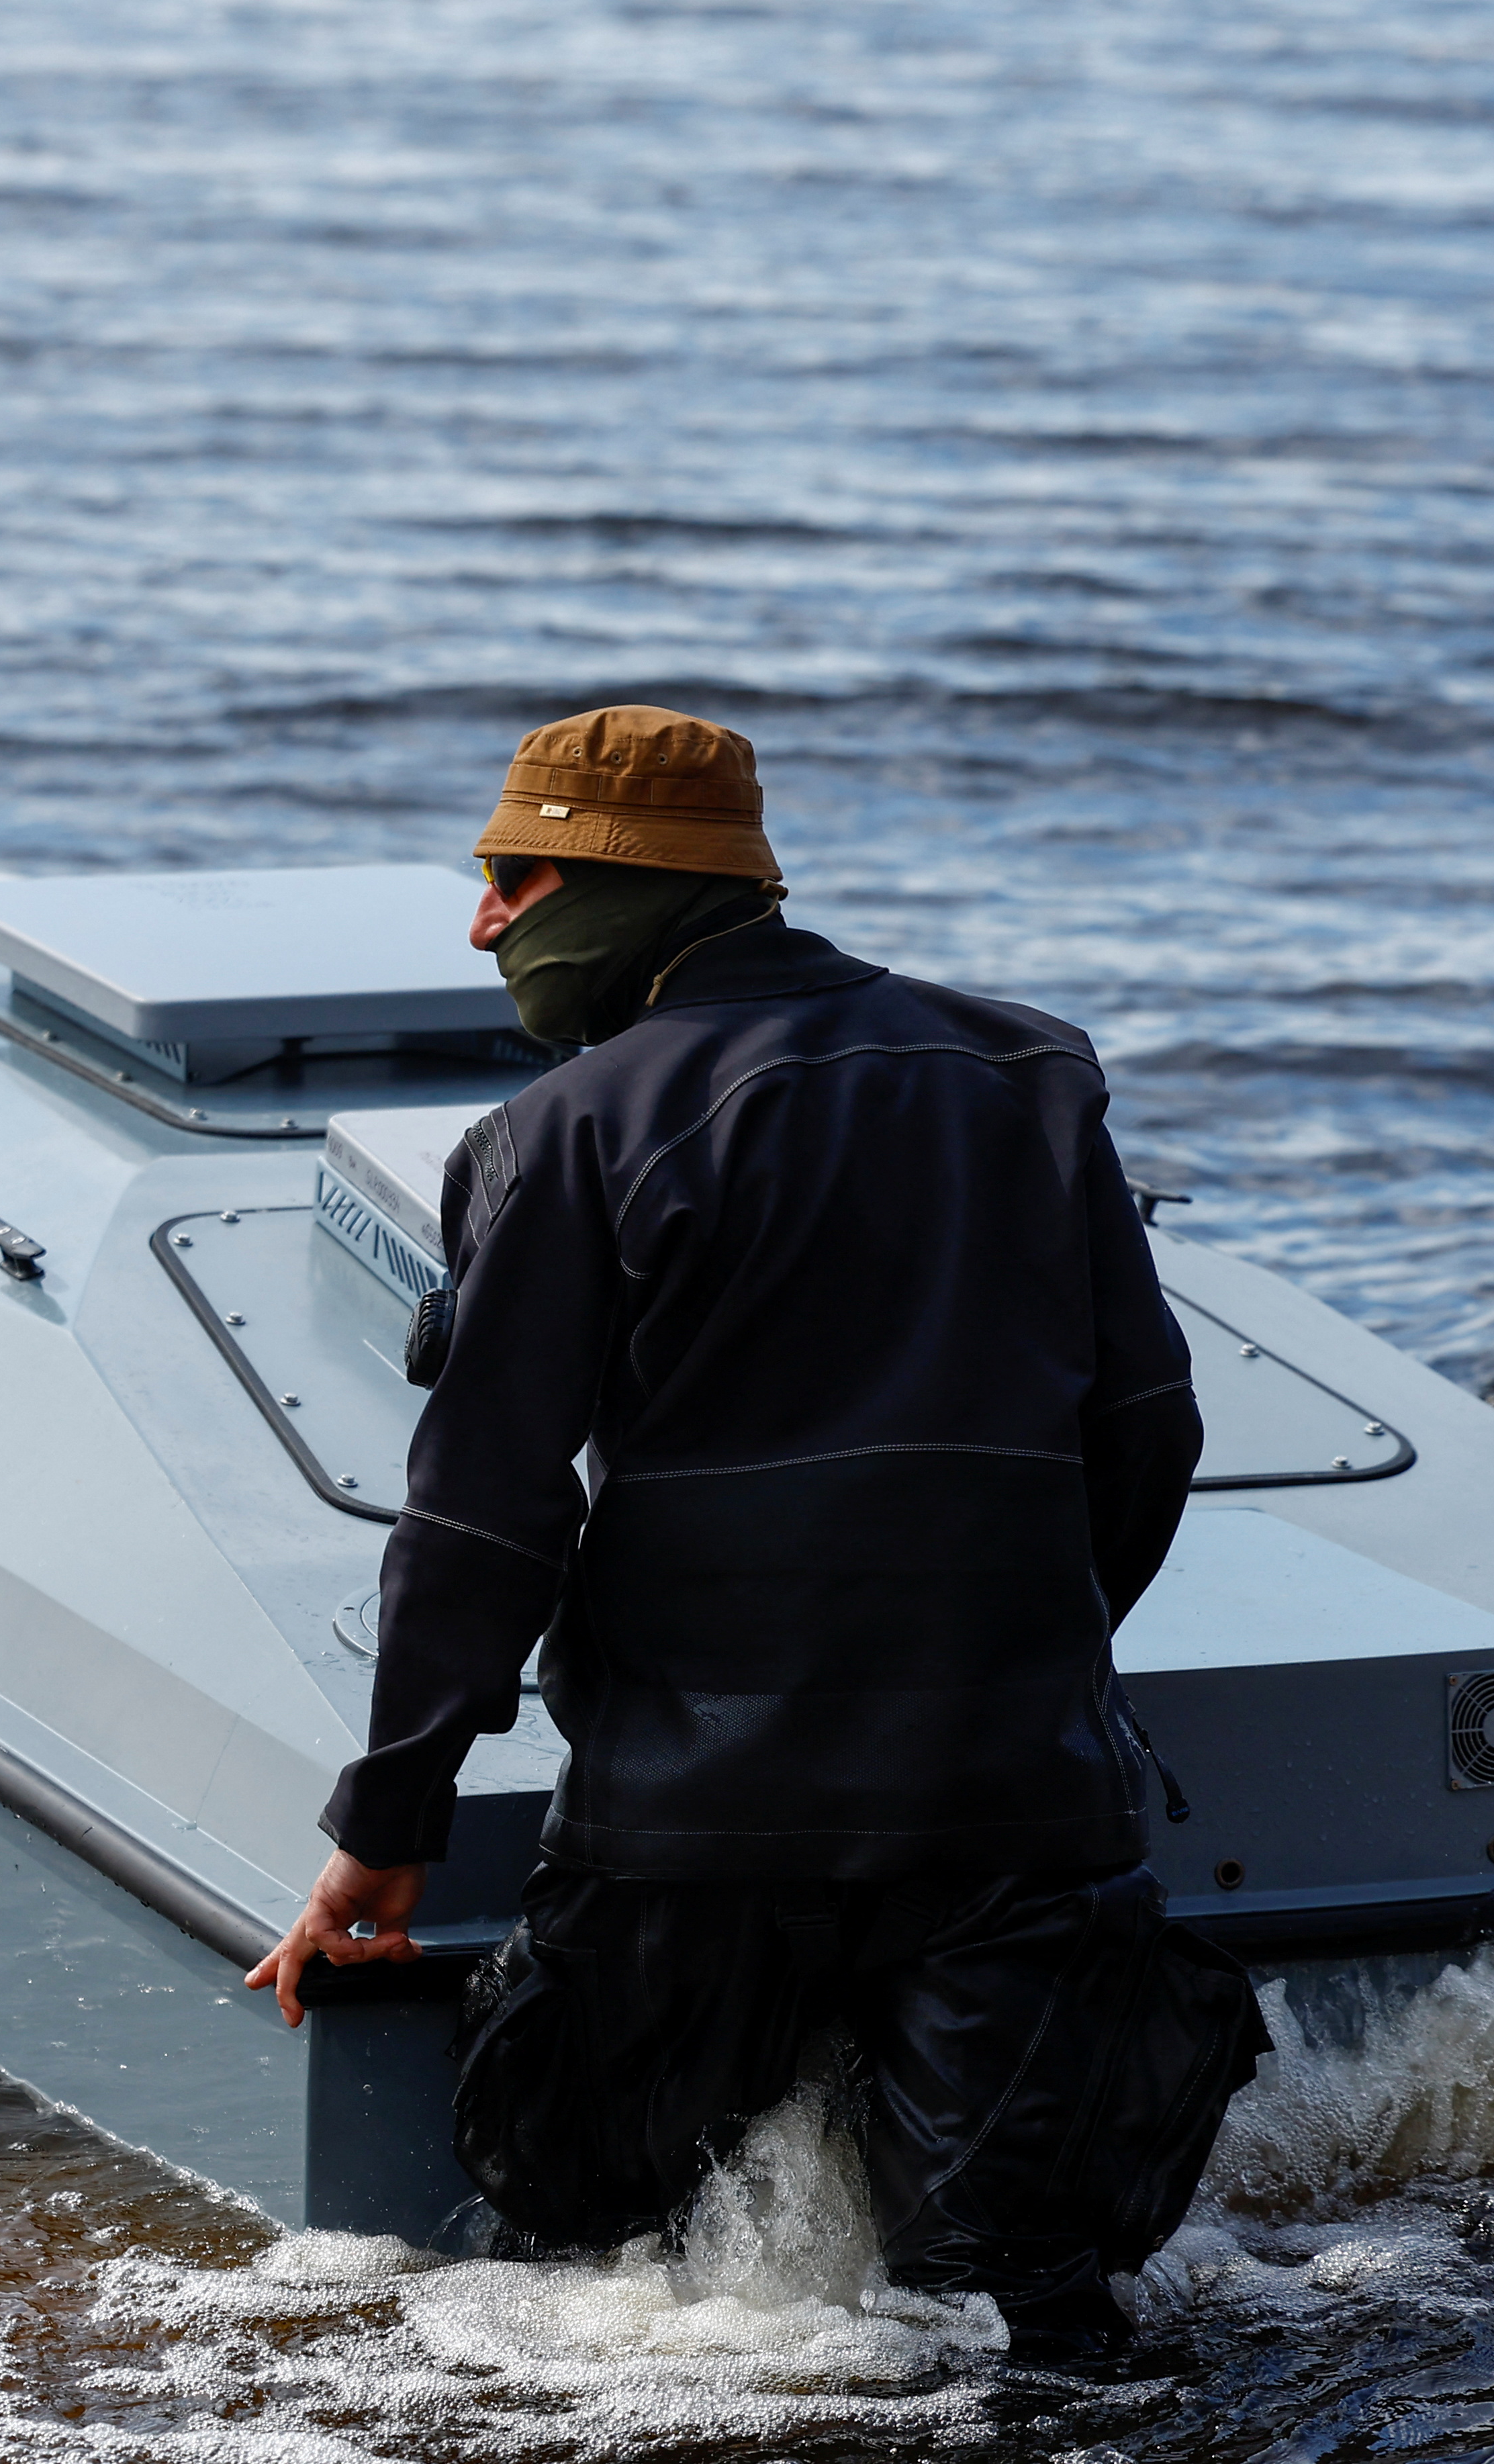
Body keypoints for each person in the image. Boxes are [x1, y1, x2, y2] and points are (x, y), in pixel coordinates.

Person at [244, 704, 1269, 2366]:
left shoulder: (564, 1130)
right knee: (1016, 2318)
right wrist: (1018, 1667)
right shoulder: (1030, 1072)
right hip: (1011, 1802)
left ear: (626, 887)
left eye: (514, 879)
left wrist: (388, 1819)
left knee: (592, 2279)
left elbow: (485, 1511)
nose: (482, 923)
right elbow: (1148, 1429)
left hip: (689, 1828)